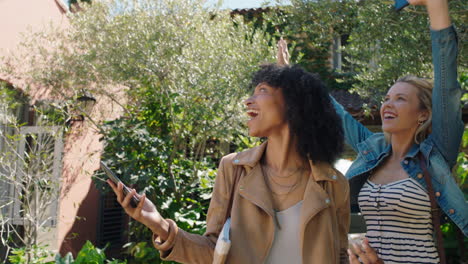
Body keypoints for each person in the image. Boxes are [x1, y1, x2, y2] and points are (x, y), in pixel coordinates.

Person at [108, 63, 351, 262]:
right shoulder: (233, 169)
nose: (248, 101)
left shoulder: (332, 183)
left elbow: (340, 256)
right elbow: (214, 250)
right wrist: (159, 224)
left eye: (262, 90)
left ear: (294, 103)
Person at [326, 0, 467, 263]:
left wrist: (436, 6)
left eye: (400, 99)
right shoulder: (373, 149)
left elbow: (446, 82)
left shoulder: (435, 154)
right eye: (387, 98)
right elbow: (334, 114)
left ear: (423, 114)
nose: (388, 104)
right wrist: (291, 77)